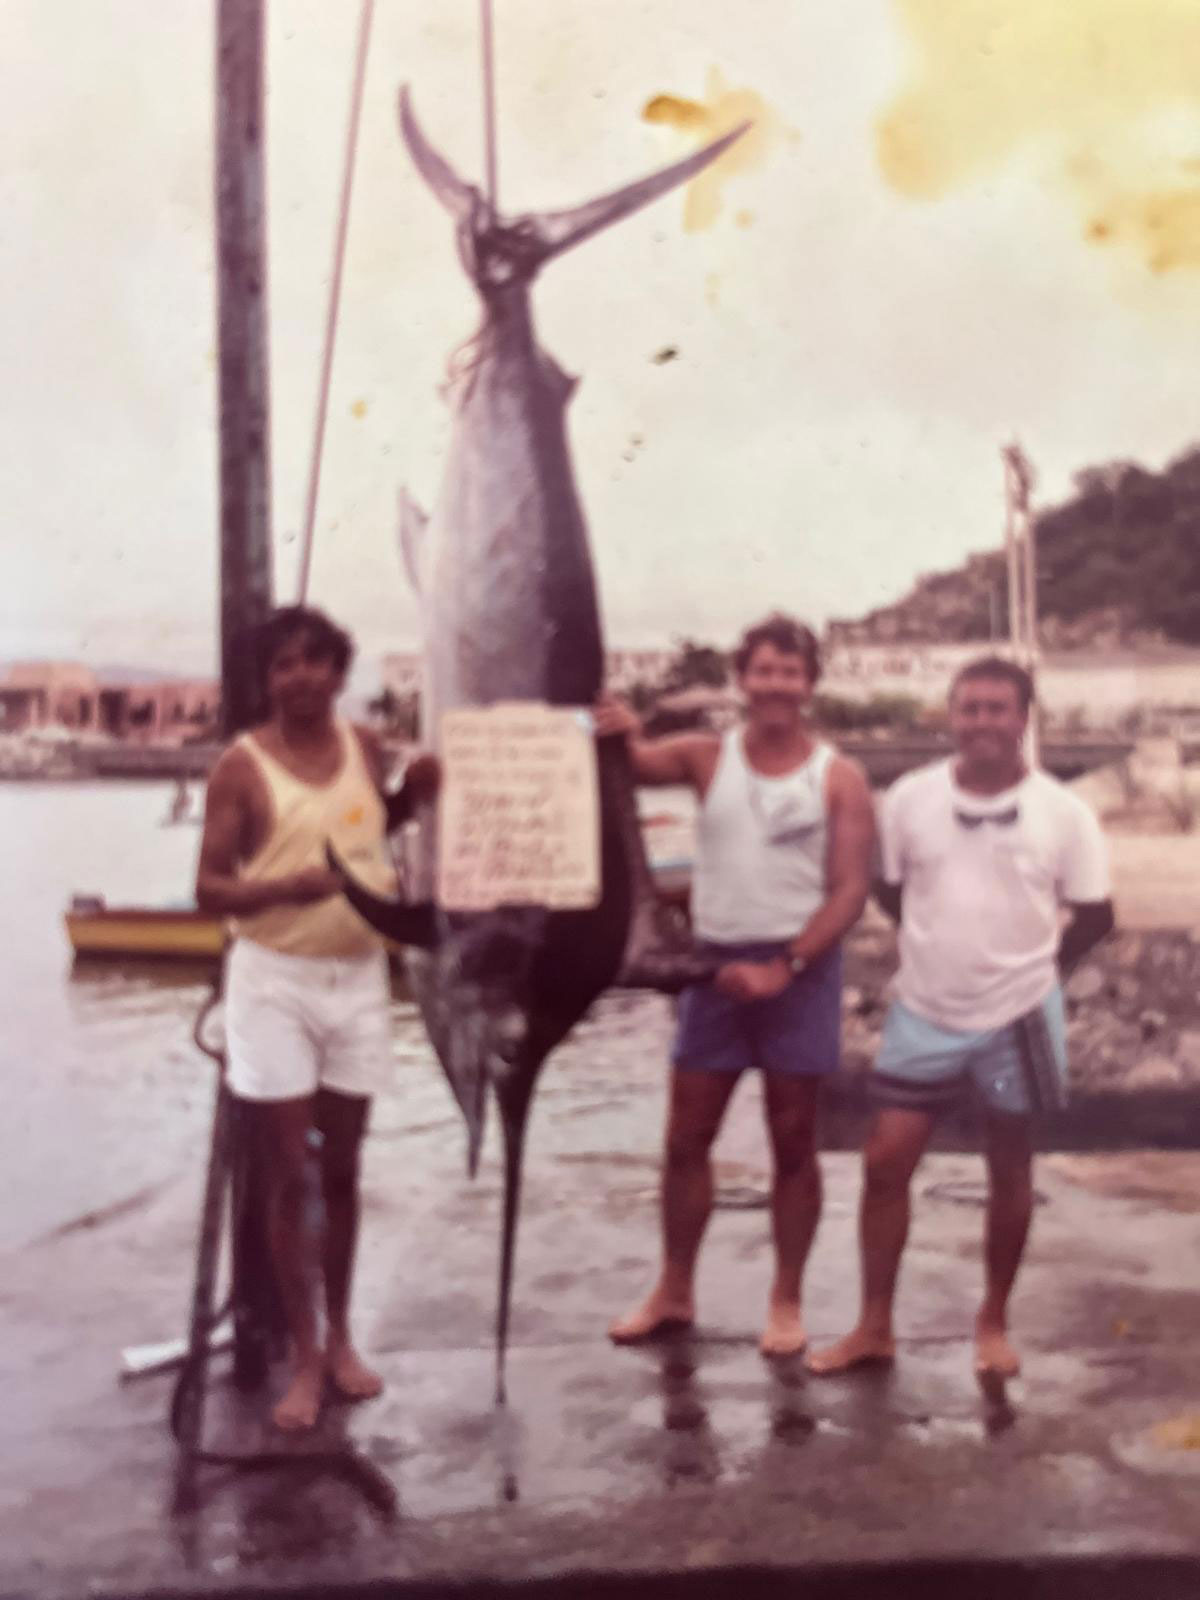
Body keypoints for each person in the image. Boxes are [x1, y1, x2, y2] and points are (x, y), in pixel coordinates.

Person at [807, 656, 1114, 1382]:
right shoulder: (909, 799)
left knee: (1010, 1170)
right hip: (924, 1014)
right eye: (969, 708)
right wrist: (932, 947)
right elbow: (885, 888)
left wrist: (1038, 969)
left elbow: (1097, 915)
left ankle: (993, 1322)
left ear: (1023, 718)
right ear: (950, 716)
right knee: (885, 1164)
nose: (981, 722)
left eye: (997, 708)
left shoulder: (1065, 813)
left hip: (1020, 1021)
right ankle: (874, 1326)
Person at [597, 613, 876, 1356]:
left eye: (790, 672)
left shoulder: (839, 776)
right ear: (741, 680)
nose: (776, 685)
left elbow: (850, 892)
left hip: (799, 968)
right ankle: (674, 1289)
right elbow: (632, 765)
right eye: (763, 671)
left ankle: (785, 1299)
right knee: (686, 1139)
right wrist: (618, 725)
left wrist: (786, 964)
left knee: (792, 1142)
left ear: (810, 684)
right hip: (713, 966)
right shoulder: (701, 756)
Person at [195, 604, 436, 1431]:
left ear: (339, 671)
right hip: (274, 983)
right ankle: (303, 1358)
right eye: (281, 665)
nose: (298, 678)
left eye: (313, 662)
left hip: (359, 977)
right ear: (265, 680)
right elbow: (209, 889)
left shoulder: (365, 748)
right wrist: (282, 889)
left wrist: (415, 799)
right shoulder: (240, 766)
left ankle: (341, 1340)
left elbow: (374, 830)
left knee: (344, 1171)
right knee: (290, 1174)